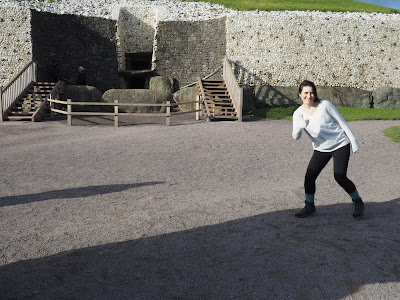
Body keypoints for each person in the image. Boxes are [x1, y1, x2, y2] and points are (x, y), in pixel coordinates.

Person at [292, 80, 365, 218]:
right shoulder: (298, 114)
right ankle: (309, 206)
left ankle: (358, 202)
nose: (309, 96)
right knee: (309, 177)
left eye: (312, 92)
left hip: (340, 144)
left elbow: (342, 123)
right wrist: (301, 125)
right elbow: (296, 136)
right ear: (300, 94)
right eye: (306, 93)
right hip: (321, 148)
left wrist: (354, 143)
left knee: (339, 176)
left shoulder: (325, 105)